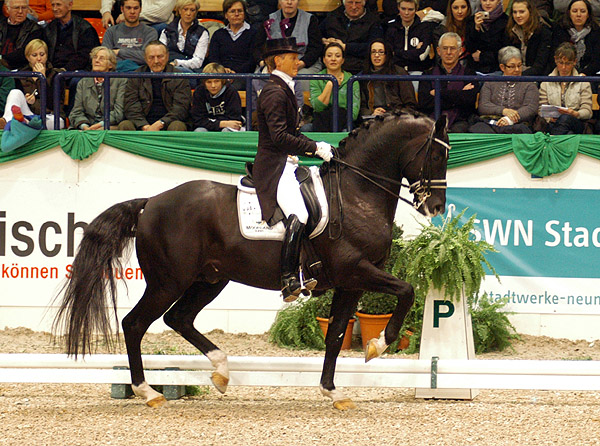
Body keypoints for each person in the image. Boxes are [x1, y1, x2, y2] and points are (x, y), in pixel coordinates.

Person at [254, 37, 333, 302]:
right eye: (292, 57)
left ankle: (306, 266)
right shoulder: (275, 91)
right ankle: (288, 279)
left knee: (313, 207)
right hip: (273, 166)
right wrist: (314, 148)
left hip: (287, 161)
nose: (298, 62)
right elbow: (278, 137)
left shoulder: (284, 87)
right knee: (298, 212)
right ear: (278, 60)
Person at [118, 40, 189, 131]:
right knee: (125, 125)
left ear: (167, 57)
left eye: (160, 57)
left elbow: (181, 108)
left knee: (177, 126)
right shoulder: (136, 75)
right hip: (143, 124)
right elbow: (131, 105)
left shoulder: (178, 76)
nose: (156, 61)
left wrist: (161, 123)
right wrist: (145, 126)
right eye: (151, 57)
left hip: (169, 123)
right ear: (145, 58)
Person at [253, 0, 323, 89]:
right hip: (273, 64)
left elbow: (316, 48)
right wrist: (264, 63)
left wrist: (299, 64)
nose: (289, 2)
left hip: (302, 64)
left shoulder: (310, 20)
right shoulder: (268, 19)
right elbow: (257, 47)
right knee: (258, 79)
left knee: (301, 80)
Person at [468, 46, 539, 133]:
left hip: (517, 124)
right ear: (502, 67)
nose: (517, 70)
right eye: (512, 66)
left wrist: (509, 119)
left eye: (519, 65)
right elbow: (483, 106)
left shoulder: (530, 85)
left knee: (521, 130)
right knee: (477, 128)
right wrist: (504, 111)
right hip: (490, 123)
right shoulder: (490, 82)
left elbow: (530, 108)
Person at [418, 32, 479, 132]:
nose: (449, 52)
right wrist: (459, 94)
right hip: (431, 119)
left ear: (460, 51)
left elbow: (468, 102)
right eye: (445, 48)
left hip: (460, 121)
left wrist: (439, 93)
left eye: (453, 48)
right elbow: (425, 103)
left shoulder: (469, 74)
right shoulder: (427, 74)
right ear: (438, 51)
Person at [0, 39, 65, 129]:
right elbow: (19, 103)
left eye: (42, 54)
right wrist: (27, 101)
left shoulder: (57, 75)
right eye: (34, 55)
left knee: (58, 122)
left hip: (50, 116)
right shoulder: (21, 74)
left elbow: (52, 103)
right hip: (28, 115)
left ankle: (23, 124)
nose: (39, 58)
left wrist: (41, 79)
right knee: (15, 92)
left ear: (47, 56)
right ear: (28, 57)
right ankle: (7, 121)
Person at [305, 42, 360, 132]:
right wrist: (330, 85)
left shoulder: (352, 80)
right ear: (324, 59)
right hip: (321, 122)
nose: (333, 59)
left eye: (337, 56)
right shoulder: (316, 78)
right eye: (329, 56)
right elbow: (317, 107)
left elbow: (353, 114)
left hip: (344, 123)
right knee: (305, 129)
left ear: (343, 60)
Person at [539, 42, 592, 135]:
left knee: (565, 118)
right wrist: (549, 118)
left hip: (576, 122)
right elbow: (541, 109)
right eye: (561, 63)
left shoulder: (583, 81)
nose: (563, 67)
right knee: (568, 134)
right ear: (555, 60)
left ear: (575, 62)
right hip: (553, 123)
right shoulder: (546, 81)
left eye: (568, 63)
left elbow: (587, 111)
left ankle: (552, 142)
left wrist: (575, 113)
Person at [68, 46, 126, 130]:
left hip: (109, 125)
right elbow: (76, 112)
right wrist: (84, 126)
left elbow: (119, 112)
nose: (97, 60)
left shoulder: (120, 81)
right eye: (95, 57)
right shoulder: (83, 82)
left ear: (110, 64)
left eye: (101, 58)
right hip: (86, 126)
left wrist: (100, 125)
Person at [359, 38, 416, 121]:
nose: (377, 55)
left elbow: (410, 105)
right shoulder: (363, 76)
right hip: (373, 118)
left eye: (381, 52)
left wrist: (394, 114)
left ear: (387, 54)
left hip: (396, 117)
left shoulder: (399, 73)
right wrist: (371, 112)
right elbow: (361, 106)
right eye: (373, 52)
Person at [320, 0, 383, 74]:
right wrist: (324, 41)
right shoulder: (332, 17)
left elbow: (372, 47)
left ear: (364, 3)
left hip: (359, 68)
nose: (353, 7)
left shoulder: (374, 21)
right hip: (331, 67)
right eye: (350, 2)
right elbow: (316, 36)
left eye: (357, 3)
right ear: (344, 3)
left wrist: (346, 47)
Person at [207, 0, 257, 90]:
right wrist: (222, 70)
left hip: (243, 75)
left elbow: (253, 60)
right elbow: (213, 58)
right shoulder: (218, 34)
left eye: (240, 11)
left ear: (244, 13)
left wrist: (235, 72)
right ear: (226, 15)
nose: (237, 14)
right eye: (232, 11)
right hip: (220, 74)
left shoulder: (253, 33)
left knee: (230, 88)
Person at [385, 0, 436, 84]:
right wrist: (413, 53)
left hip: (418, 72)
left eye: (410, 9)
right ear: (398, 8)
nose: (406, 13)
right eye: (403, 8)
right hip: (395, 72)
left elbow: (421, 56)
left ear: (416, 9)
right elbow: (389, 55)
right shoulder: (391, 28)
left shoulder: (424, 28)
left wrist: (397, 53)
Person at [43, 0, 100, 72]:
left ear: (70, 5)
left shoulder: (84, 28)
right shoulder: (49, 29)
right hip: (54, 70)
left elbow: (85, 56)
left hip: (77, 71)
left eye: (58, 5)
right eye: (53, 5)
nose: (54, 8)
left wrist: (65, 70)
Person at [101, 0, 158, 71]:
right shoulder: (111, 31)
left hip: (140, 74)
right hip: (116, 73)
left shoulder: (150, 32)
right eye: (128, 8)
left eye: (136, 8)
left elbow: (148, 57)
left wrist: (119, 52)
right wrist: (134, 57)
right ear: (122, 9)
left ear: (141, 9)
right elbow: (105, 57)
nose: (132, 12)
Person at [159, 0, 209, 78]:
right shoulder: (167, 30)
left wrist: (176, 63)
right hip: (168, 68)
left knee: (177, 72)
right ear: (179, 10)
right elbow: (160, 54)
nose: (188, 13)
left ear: (196, 13)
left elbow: (198, 62)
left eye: (192, 10)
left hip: (191, 71)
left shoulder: (202, 33)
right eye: (185, 9)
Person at [551, 0, 600, 77]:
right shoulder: (559, 29)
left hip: (588, 75)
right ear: (569, 13)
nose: (578, 14)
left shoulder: (596, 31)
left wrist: (584, 74)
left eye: (583, 11)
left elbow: (597, 61)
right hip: (562, 73)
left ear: (588, 14)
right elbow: (554, 56)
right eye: (574, 11)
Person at [191, 62, 245, 132]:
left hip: (226, 127)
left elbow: (234, 120)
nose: (213, 85)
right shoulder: (199, 92)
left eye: (216, 81)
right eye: (209, 82)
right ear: (204, 82)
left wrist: (221, 124)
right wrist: (221, 123)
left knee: (226, 131)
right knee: (199, 131)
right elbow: (198, 120)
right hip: (209, 126)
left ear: (222, 81)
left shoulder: (231, 92)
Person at [505, 0, 552, 76]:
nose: (518, 15)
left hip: (535, 76)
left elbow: (540, 65)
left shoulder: (543, 31)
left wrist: (520, 75)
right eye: (515, 12)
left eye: (522, 12)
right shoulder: (510, 29)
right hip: (512, 73)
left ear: (530, 12)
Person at [464, 0, 508, 73]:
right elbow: (469, 48)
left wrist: (482, 56)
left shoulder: (506, 21)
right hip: (474, 69)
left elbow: (505, 51)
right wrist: (476, 29)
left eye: (492, 0)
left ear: (498, 1)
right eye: (484, 0)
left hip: (497, 69)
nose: (487, 3)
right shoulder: (472, 20)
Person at [0, 0, 43, 69]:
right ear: (7, 9)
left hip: (22, 71)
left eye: (24, 8)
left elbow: (25, 53)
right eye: (16, 8)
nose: (20, 11)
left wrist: (2, 59)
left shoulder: (35, 29)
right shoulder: (1, 25)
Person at [101, 0, 177, 34]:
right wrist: (106, 11)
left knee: (164, 28)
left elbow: (162, 14)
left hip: (155, 26)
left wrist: (132, 14)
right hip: (129, 23)